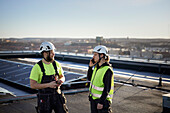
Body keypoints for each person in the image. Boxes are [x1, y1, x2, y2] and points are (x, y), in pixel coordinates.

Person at [29, 42, 68, 113]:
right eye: (51, 52)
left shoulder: (56, 64)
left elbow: (62, 76)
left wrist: (61, 81)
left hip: (57, 95)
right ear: (45, 53)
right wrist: (48, 85)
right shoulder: (37, 67)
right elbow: (32, 85)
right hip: (44, 98)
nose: (54, 54)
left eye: (53, 52)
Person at [87, 45, 114, 113]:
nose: (93, 57)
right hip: (94, 100)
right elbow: (89, 78)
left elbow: (107, 88)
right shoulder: (96, 68)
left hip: (102, 102)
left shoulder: (107, 70)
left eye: (95, 54)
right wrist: (90, 67)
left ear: (101, 55)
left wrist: (101, 102)